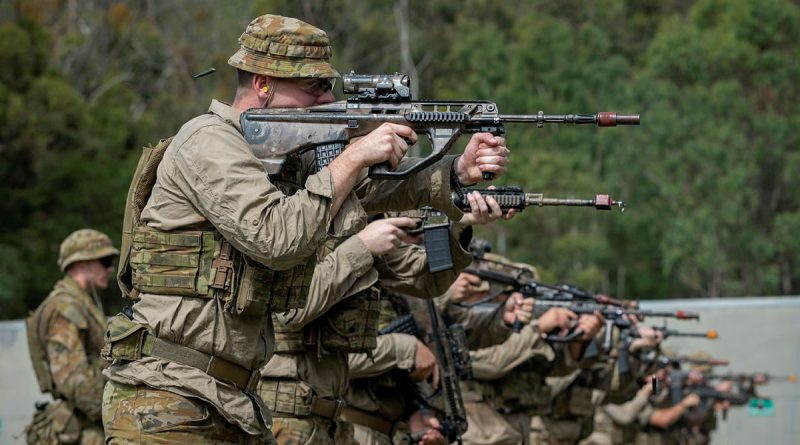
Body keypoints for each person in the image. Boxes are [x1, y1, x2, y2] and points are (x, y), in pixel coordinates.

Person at [102, 13, 509, 444]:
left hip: (228, 400)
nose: (327, 98)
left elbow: (371, 191)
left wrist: (456, 171)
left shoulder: (282, 159)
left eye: (328, 85)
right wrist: (352, 157)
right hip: (167, 400)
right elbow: (275, 238)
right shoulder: (207, 141)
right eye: (313, 86)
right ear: (262, 84)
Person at [25, 229, 118, 445]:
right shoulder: (64, 308)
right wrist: (115, 416)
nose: (111, 269)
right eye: (105, 261)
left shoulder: (81, 303)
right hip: (84, 430)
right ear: (82, 263)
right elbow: (73, 379)